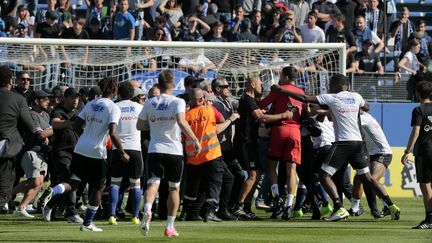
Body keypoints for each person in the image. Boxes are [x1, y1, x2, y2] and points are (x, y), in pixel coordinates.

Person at [272, 73, 401, 222]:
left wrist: (282, 90)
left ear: (334, 85)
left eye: (330, 85)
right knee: (366, 177)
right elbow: (367, 106)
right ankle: (391, 206)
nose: (328, 88)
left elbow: (304, 98)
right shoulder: (356, 96)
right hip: (359, 143)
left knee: (323, 175)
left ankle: (339, 208)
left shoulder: (332, 97)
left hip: (343, 143)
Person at [44, 77, 129, 232]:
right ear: (114, 90)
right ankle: (88, 223)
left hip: (80, 148)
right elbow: (113, 132)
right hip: (97, 152)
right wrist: (122, 152)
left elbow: (76, 125)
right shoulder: (113, 108)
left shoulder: (91, 104)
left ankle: (54, 190)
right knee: (99, 187)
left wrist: (85, 137)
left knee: (74, 182)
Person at [137, 69, 200, 238]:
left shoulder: (150, 102)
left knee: (152, 183)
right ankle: (170, 227)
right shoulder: (177, 102)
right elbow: (181, 121)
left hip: (155, 149)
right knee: (174, 188)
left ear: (158, 84)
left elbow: (140, 125)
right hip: (173, 150)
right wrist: (194, 138)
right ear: (172, 84)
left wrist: (155, 124)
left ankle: (148, 209)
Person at [231, 76, 293, 219]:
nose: (262, 87)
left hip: (251, 142)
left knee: (257, 174)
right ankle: (238, 206)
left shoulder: (253, 101)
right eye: (260, 84)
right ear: (252, 85)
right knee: (253, 174)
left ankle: (247, 206)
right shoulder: (247, 99)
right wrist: (284, 115)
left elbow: (261, 114)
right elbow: (261, 118)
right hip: (244, 142)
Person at [182, 88, 239, 222]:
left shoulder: (186, 115)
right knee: (216, 183)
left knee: (194, 186)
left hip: (194, 157)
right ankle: (210, 211)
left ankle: (188, 212)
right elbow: (219, 125)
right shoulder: (209, 109)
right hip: (211, 154)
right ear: (202, 99)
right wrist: (231, 119)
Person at [259, 66, 304, 220]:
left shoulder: (278, 89)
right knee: (292, 170)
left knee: (272, 167)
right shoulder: (301, 92)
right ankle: (289, 205)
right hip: (296, 132)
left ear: (285, 77)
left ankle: (277, 197)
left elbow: (262, 104)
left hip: (280, 129)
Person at [0, 65, 43, 211]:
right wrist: (41, 133)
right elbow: (31, 126)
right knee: (5, 189)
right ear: (11, 82)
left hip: (7, 147)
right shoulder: (18, 99)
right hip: (6, 148)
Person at [11, 90, 53, 218]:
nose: (48, 101)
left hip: (42, 153)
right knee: (35, 181)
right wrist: (55, 128)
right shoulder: (31, 115)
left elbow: (46, 134)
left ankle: (21, 207)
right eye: (45, 98)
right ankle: (5, 195)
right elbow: (41, 135)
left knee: (39, 183)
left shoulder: (46, 115)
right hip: (31, 151)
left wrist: (48, 133)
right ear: (36, 101)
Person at [108, 82, 144, 226]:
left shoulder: (115, 107)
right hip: (135, 149)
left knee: (115, 183)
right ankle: (135, 217)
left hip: (118, 149)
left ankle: (112, 215)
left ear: (119, 93)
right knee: (135, 184)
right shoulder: (140, 108)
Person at [349, 108, 393, 219]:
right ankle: (355, 208)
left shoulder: (362, 119)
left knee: (371, 179)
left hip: (382, 152)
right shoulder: (363, 116)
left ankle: (388, 205)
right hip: (371, 153)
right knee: (358, 178)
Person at [47, 87, 83, 223]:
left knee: (72, 183)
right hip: (61, 152)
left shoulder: (79, 112)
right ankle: (72, 214)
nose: (76, 100)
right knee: (69, 178)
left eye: (78, 98)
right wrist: (71, 122)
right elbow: (55, 123)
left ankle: (49, 204)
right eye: (73, 97)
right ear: (66, 98)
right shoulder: (59, 110)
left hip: (77, 152)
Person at [402, 81, 432, 229]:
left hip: (425, 151)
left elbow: (416, 132)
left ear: (417, 93)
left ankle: (429, 219)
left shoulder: (419, 110)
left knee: (425, 185)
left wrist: (407, 151)